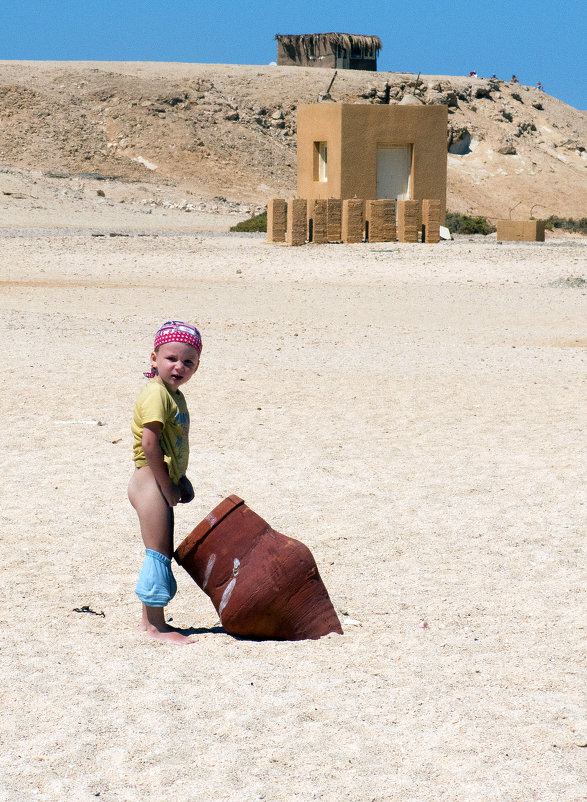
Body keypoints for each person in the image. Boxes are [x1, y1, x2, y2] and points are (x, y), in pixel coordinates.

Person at [128, 320, 202, 644]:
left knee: (160, 550)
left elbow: (173, 444)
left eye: (188, 361)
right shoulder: (157, 394)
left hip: (158, 479)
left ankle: (148, 622)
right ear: (154, 358)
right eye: (171, 358)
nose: (179, 366)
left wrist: (180, 479)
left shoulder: (174, 396)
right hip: (149, 480)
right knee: (158, 553)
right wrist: (167, 486)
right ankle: (157, 628)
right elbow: (149, 444)